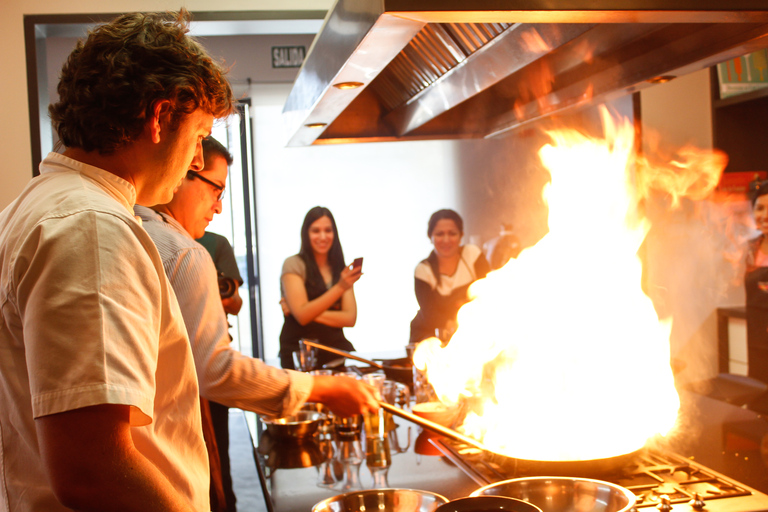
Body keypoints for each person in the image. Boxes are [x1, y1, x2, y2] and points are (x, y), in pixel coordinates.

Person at [0, 10, 235, 512]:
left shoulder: (36, 206)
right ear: (159, 116)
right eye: (197, 137)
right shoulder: (89, 226)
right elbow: (93, 469)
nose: (197, 161)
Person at [135, 139, 379, 507]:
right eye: (217, 189)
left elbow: (344, 316)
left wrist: (307, 311)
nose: (218, 207)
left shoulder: (134, 229)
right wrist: (322, 390)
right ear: (181, 173)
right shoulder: (184, 252)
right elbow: (215, 369)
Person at [279, 207, 362, 369]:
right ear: (306, 234)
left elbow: (349, 318)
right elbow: (303, 316)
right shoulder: (293, 264)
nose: (323, 237)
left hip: (335, 351)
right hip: (300, 353)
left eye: (328, 230)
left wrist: (303, 311)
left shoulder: (340, 269)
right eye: (316, 231)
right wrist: (340, 287)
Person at [196, 229, 243, 512]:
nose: (217, 206)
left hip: (212, 354)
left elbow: (234, 302)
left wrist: (214, 296)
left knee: (218, 459)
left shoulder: (216, 243)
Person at [409, 209, 490, 345]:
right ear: (430, 237)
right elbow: (431, 315)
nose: (446, 240)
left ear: (461, 235)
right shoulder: (423, 270)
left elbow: (489, 295)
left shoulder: (472, 255)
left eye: (452, 233)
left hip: (472, 334)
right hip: (430, 338)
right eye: (440, 234)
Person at [745, 179, 768, 385]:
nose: (765, 215)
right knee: (758, 389)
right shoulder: (751, 248)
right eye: (760, 208)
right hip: (757, 337)